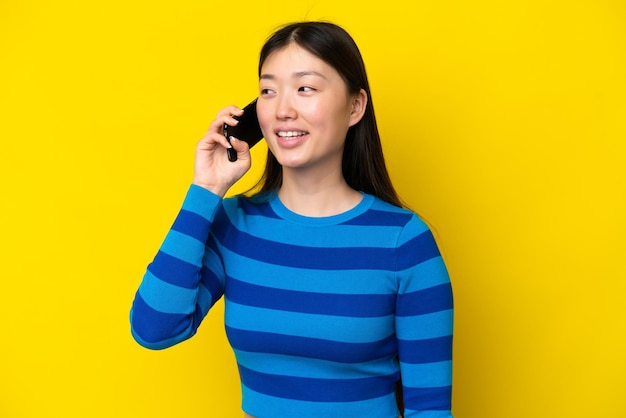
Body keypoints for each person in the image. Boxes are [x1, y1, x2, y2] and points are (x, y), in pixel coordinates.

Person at [130, 21, 454, 418]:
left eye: (305, 88)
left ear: (355, 106)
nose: (282, 110)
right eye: (268, 90)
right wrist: (206, 190)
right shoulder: (234, 224)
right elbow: (155, 329)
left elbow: (431, 409)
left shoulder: (404, 242)